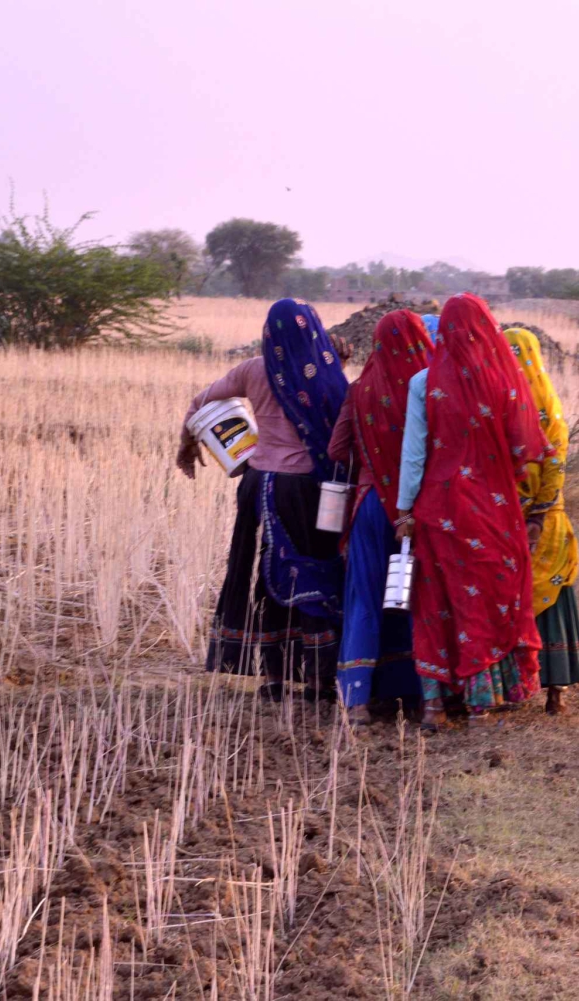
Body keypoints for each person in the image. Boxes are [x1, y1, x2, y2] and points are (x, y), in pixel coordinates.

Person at [179, 298, 349, 700]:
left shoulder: (253, 370)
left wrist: (186, 444)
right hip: (305, 488)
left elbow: (200, 403)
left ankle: (273, 678)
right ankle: (317, 680)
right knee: (314, 571)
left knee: (269, 572)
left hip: (259, 484)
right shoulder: (325, 371)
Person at [395, 294, 550, 729]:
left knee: (434, 603)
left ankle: (434, 706)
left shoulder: (424, 383)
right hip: (493, 508)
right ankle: (482, 701)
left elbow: (414, 455)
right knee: (485, 599)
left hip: (438, 507)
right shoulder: (505, 379)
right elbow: (525, 448)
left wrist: (404, 510)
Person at [328, 309, 433, 725]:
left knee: (365, 598)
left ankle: (357, 699)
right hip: (418, 510)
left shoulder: (359, 390)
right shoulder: (430, 388)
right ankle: (421, 696)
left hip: (370, 506)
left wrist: (369, 460)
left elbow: (337, 450)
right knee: (416, 599)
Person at [503, 326, 579, 715]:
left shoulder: (502, 406)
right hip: (549, 520)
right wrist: (543, 512)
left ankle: (513, 684)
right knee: (554, 599)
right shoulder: (551, 408)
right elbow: (555, 466)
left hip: (511, 519)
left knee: (517, 599)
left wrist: (531, 513)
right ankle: (556, 692)